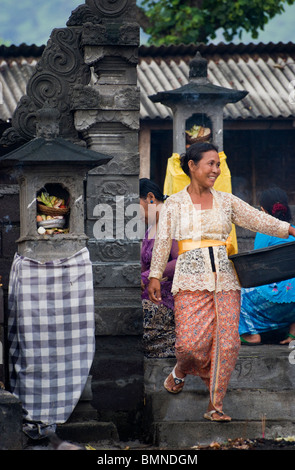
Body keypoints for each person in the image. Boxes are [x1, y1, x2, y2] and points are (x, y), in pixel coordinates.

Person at [147, 142, 295, 422]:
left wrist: (290, 229)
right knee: (190, 346)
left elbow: (259, 219)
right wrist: (155, 275)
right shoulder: (174, 204)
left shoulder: (227, 201)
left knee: (228, 345)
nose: (216, 169)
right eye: (210, 164)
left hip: (226, 280)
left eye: (218, 164)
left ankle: (215, 405)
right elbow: (163, 241)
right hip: (190, 279)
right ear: (192, 166)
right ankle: (180, 370)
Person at [239, 187, 295, 345]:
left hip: (276, 296)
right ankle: (293, 332)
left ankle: (252, 334)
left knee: (237, 294)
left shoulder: (264, 233)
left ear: (263, 211)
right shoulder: (293, 231)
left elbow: (258, 267)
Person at [140, 178, 178, 357]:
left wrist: (149, 276)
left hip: (167, 299)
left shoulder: (172, 220)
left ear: (150, 198)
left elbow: (181, 260)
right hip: (148, 294)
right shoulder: (150, 229)